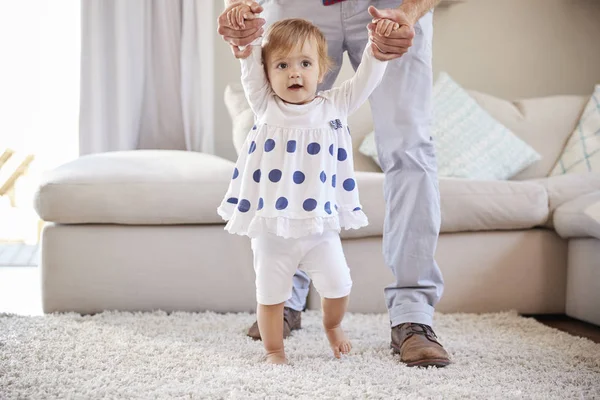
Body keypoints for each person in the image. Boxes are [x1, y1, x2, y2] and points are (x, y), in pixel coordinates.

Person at [218, 0, 451, 368]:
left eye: (305, 67)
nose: (296, 73)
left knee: (410, 150)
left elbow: (363, 86)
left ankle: (413, 315)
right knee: (274, 126)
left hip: (389, 8)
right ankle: (283, 304)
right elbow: (252, 74)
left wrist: (409, 12)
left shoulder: (339, 102)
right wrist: (238, 10)